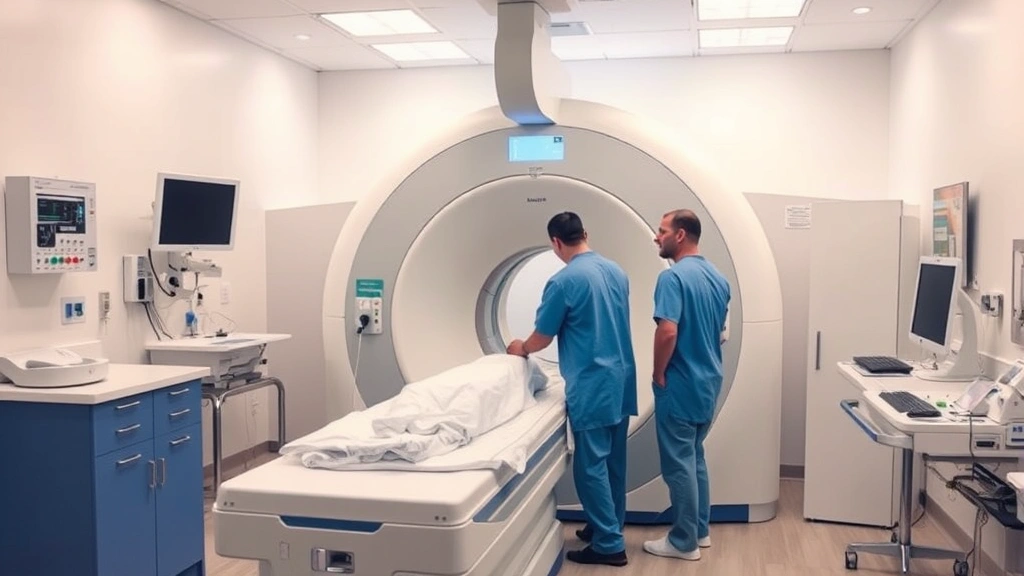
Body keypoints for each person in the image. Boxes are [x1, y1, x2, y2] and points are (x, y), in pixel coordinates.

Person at [507, 211, 637, 568]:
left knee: (590, 466)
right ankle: (605, 526)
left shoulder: (564, 281)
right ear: (585, 233)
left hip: (593, 383)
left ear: (556, 243)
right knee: (614, 463)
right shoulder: (617, 271)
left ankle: (609, 545)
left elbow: (543, 335)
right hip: (622, 379)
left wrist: (521, 347)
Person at [644, 209, 731, 561]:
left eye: (661, 230)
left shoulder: (673, 278)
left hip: (680, 382)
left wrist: (658, 373)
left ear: (680, 235)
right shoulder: (718, 277)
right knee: (694, 457)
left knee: (678, 464)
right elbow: (720, 333)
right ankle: (700, 530)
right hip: (708, 381)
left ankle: (683, 543)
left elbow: (668, 331)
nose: (656, 236)